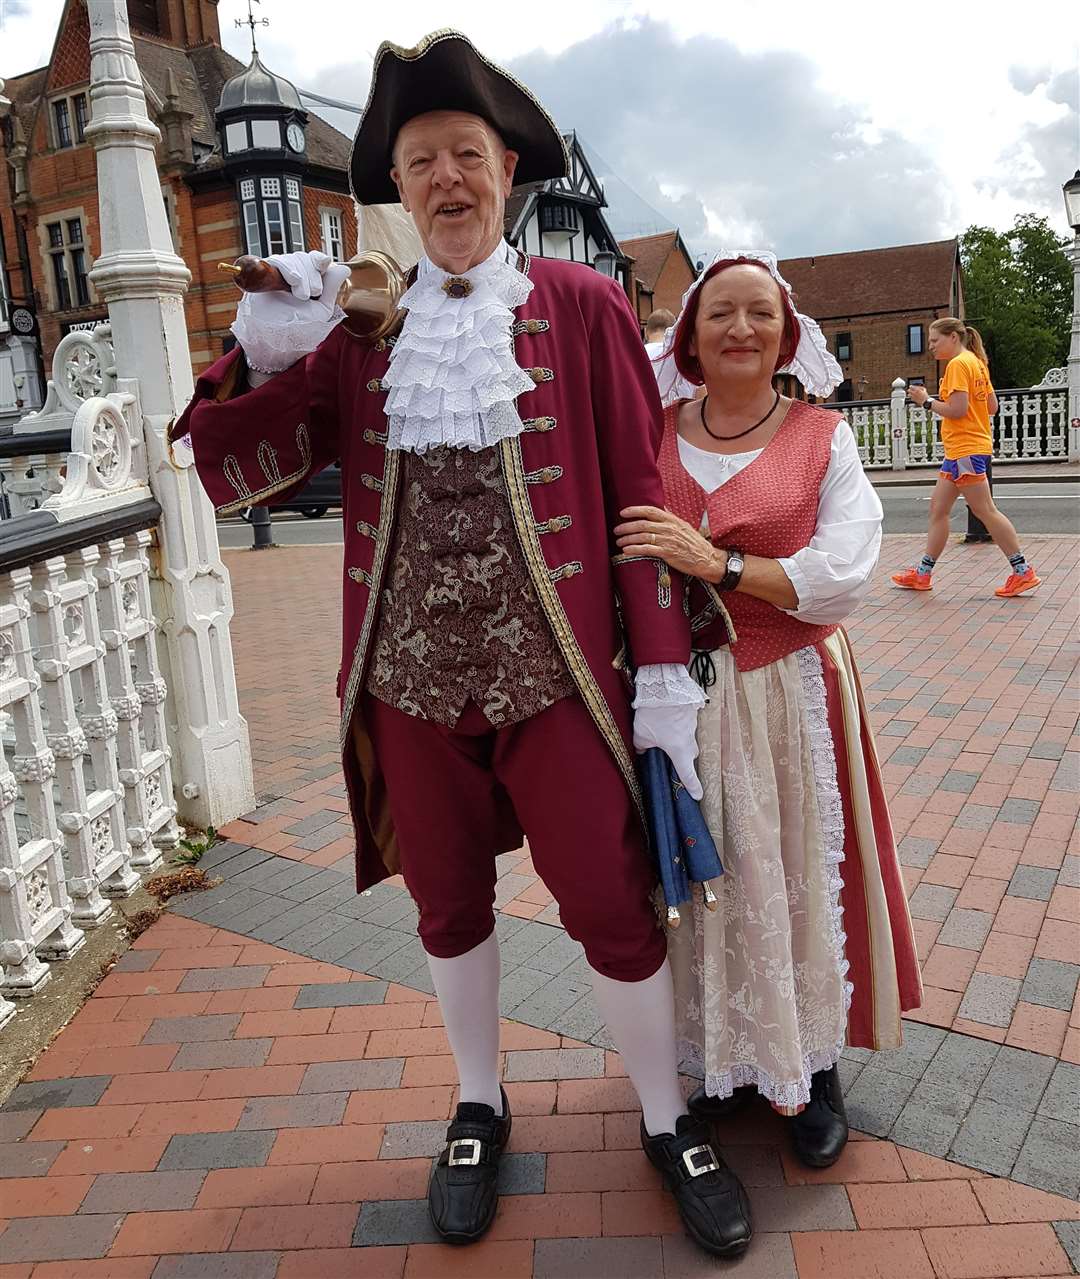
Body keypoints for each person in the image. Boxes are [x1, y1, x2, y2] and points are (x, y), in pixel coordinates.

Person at [173, 30, 753, 1259]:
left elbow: (643, 501)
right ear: (399, 182)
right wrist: (272, 336)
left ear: (506, 174)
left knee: (609, 896)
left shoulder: (584, 306)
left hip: (562, 678)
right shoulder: (363, 334)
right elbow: (234, 467)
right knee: (447, 903)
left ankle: (667, 1116)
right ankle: (479, 1104)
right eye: (422, 159)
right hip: (406, 680)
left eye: (467, 157)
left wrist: (659, 677)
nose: (446, 178)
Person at [614, 252, 923, 1167]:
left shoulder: (825, 436)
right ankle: (714, 1058)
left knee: (785, 863)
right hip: (676, 691)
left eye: (758, 313)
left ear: (787, 335)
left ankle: (811, 1064)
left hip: (788, 685)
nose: (740, 328)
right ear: (691, 337)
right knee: (699, 873)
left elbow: (843, 573)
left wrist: (721, 566)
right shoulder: (650, 428)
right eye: (720, 315)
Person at [892, 318, 1040, 598]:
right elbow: (992, 406)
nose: (930, 347)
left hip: (965, 449)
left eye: (935, 340)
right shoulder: (976, 362)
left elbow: (958, 409)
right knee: (938, 509)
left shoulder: (959, 365)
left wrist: (925, 400)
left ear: (952, 337)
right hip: (963, 450)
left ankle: (1023, 572)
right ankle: (923, 574)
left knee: (985, 511)